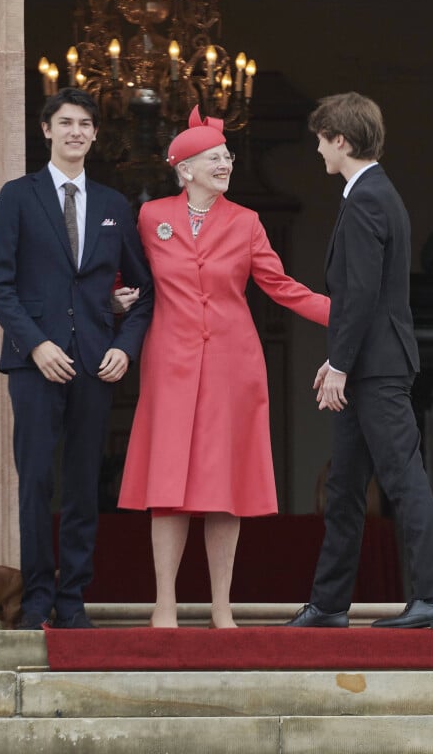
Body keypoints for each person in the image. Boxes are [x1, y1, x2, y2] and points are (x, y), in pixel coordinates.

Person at [117, 106, 330, 629]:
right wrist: (111, 299)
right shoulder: (150, 217)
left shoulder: (246, 221)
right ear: (184, 167)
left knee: (223, 486)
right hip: (169, 360)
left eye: (228, 156)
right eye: (214, 157)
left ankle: (221, 606)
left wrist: (344, 315)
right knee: (167, 484)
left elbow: (280, 286)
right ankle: (164, 603)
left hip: (234, 364)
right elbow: (119, 274)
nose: (226, 164)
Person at [0, 87, 153, 630]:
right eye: (66, 122)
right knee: (35, 482)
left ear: (95, 135)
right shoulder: (17, 195)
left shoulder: (111, 205)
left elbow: (145, 291)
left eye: (85, 124)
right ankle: (36, 600)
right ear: (46, 130)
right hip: (35, 362)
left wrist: (125, 347)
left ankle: (72, 597)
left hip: (97, 364)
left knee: (82, 482)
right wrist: (36, 342)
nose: (76, 131)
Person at [286, 91, 433, 630]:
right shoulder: (375, 194)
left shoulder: (365, 199)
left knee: (403, 478)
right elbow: (367, 294)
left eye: (321, 140)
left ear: (341, 140)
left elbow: (359, 294)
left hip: (374, 369)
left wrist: (339, 362)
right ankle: (330, 604)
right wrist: (339, 361)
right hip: (368, 365)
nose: (318, 150)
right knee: (344, 490)